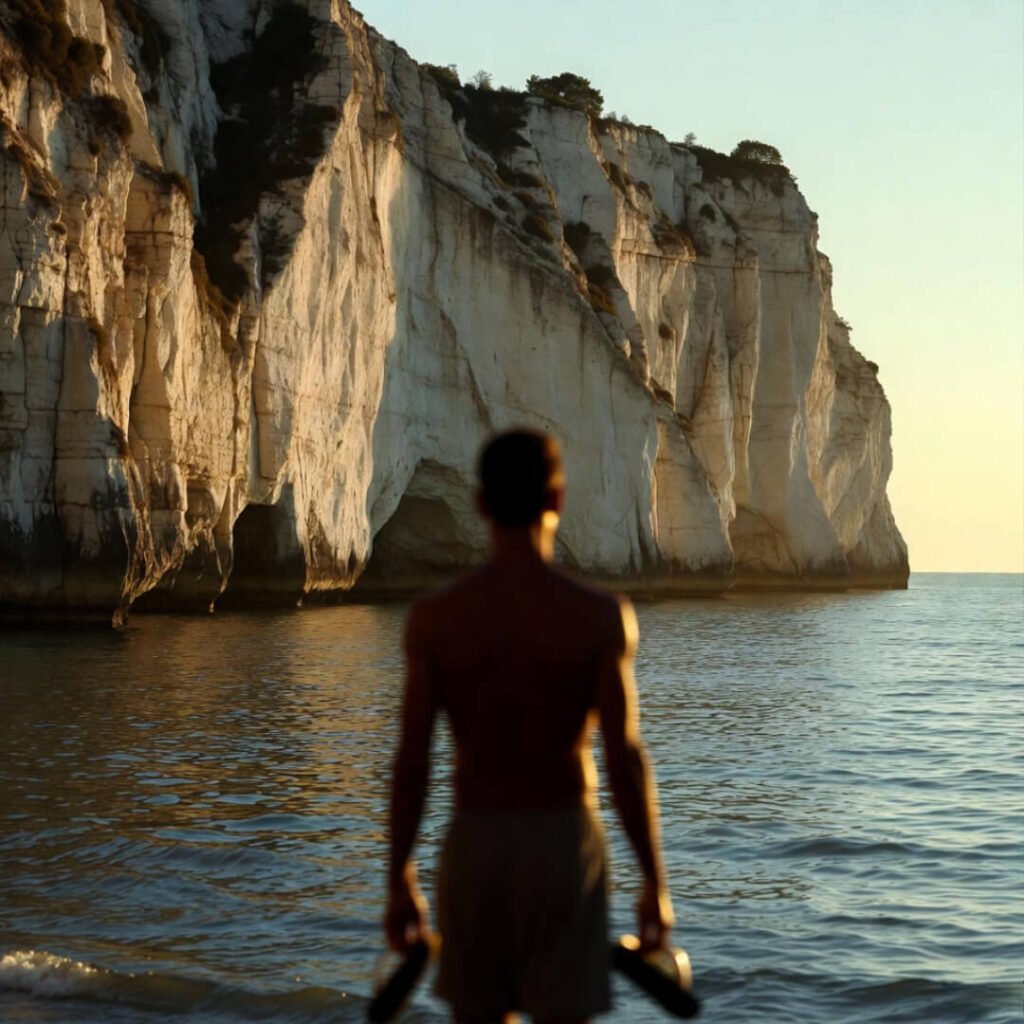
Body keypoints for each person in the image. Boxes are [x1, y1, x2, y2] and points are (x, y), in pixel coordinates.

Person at [385, 428, 674, 1023]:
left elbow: (413, 762)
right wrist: (654, 882)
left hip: (475, 842)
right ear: (558, 500)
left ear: (482, 504)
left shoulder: (436, 619)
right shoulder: (597, 615)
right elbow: (624, 758)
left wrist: (399, 878)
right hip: (562, 844)